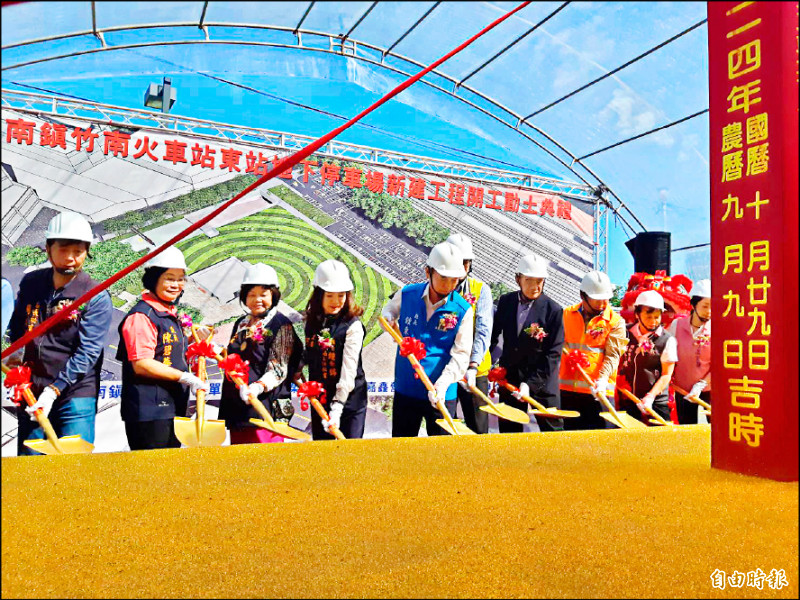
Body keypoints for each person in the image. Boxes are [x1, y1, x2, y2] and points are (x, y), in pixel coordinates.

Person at [4, 211, 113, 455]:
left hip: (75, 394)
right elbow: (18, 325)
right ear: (48, 249)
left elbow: (88, 352)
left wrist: (54, 390)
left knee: (73, 465)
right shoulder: (32, 283)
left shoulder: (95, 296)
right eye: (64, 250)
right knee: (30, 466)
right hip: (32, 389)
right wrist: (16, 356)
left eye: (78, 251)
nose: (71, 258)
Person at [117, 246, 208, 450]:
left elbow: (166, 350)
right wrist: (186, 377)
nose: (176, 285)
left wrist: (192, 340)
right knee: (152, 468)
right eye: (169, 278)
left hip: (171, 407)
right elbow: (142, 363)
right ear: (154, 279)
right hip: (150, 412)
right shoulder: (142, 316)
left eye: (180, 279)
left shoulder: (167, 313)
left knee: (170, 467)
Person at [381, 242, 473, 437]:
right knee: (403, 446)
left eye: (454, 280)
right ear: (428, 272)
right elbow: (388, 312)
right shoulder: (407, 294)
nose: (449, 285)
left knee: (440, 451)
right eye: (443, 278)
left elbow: (461, 354)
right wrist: (388, 320)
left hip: (441, 393)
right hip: (407, 387)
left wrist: (443, 384)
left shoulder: (462, 310)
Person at [219, 262, 302, 444]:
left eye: (263, 294)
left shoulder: (281, 325)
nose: (257, 299)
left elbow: (279, 369)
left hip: (265, 408)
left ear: (273, 296)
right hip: (239, 408)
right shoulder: (241, 323)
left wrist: (256, 387)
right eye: (251, 294)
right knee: (240, 457)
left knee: (265, 458)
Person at [490, 254, 564, 433]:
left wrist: (530, 384)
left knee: (553, 435)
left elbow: (553, 354)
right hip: (510, 378)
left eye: (539, 281)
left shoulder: (553, 310)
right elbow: (493, 336)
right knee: (509, 434)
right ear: (518, 279)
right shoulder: (506, 302)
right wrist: (484, 365)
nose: (535, 286)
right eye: (529, 280)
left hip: (542, 381)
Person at [302, 260, 368, 440]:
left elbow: (349, 370)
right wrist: (298, 366)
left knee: (349, 451)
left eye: (341, 295)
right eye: (329, 295)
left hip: (349, 402)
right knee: (323, 451)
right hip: (320, 400)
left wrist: (338, 406)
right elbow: (310, 353)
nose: (336, 301)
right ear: (319, 295)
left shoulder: (353, 326)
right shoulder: (312, 321)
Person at [558, 270, 627, 430]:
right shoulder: (566, 315)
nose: (603, 303)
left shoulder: (615, 322)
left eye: (606, 298)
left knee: (601, 442)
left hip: (599, 392)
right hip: (568, 392)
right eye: (597, 299)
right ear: (583, 295)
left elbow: (613, 356)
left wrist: (602, 380)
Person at [445, 233, 493, 434]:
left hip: (473, 371)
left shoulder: (480, 290)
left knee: (478, 428)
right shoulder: (438, 288)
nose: (463, 267)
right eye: (459, 262)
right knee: (445, 426)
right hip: (445, 369)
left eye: (466, 262)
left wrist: (472, 365)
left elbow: (483, 331)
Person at [616, 290, 678, 423]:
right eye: (648, 317)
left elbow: (666, 374)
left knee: (661, 435)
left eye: (657, 317)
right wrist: (619, 378)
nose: (653, 322)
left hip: (656, 401)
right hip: (628, 399)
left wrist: (650, 397)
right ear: (637, 314)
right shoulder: (624, 333)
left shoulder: (667, 340)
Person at [668, 278, 711, 424]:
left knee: (715, 429)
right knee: (687, 429)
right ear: (693, 304)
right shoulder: (677, 325)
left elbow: (719, 364)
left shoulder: (716, 328)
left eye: (712, 307)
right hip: (683, 390)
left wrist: (701, 385)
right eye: (705, 306)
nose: (709, 312)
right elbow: (668, 355)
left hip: (709, 389)